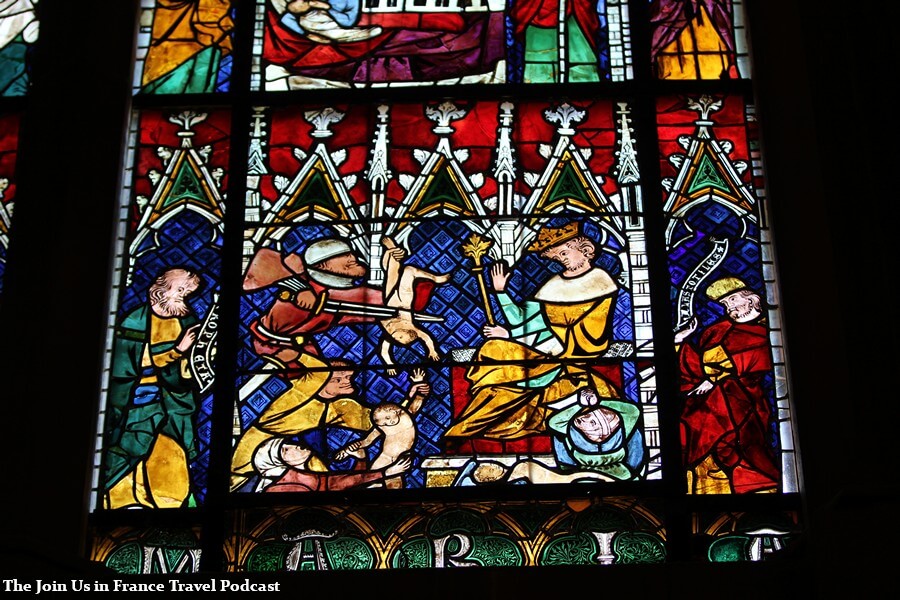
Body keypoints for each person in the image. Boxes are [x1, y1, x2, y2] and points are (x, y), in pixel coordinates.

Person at [444, 221, 622, 442]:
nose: (562, 259)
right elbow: (524, 320)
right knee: (493, 348)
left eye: (565, 252)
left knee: (501, 366)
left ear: (585, 250)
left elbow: (588, 340)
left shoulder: (601, 284)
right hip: (540, 352)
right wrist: (501, 293)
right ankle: (471, 426)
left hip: (566, 358)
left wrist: (512, 337)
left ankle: (468, 428)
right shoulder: (553, 284)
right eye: (557, 257)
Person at [102, 267, 203, 509]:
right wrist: (178, 350)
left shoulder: (185, 319)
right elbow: (132, 364)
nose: (183, 297)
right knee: (130, 454)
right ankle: (122, 504)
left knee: (172, 456)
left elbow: (189, 364)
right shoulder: (134, 322)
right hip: (135, 406)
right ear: (162, 290)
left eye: (188, 292)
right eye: (180, 290)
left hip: (172, 404)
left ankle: (171, 506)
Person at [673, 276, 780, 494]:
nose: (729, 307)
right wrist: (680, 342)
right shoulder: (716, 331)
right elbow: (696, 367)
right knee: (698, 436)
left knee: (747, 449)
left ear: (750, 299)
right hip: (709, 401)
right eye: (724, 303)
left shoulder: (769, 329)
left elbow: (755, 362)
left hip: (745, 401)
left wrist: (714, 379)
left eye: (732, 300)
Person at [230, 352, 372, 491]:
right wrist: (297, 355)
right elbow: (319, 371)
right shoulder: (301, 392)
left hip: (293, 450)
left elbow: (372, 419)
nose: (347, 382)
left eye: (349, 377)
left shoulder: (340, 407)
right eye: (338, 379)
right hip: (257, 446)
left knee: (320, 477)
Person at [243, 237, 385, 370]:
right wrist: (298, 287)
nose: (353, 258)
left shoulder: (342, 294)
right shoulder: (300, 278)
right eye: (345, 255)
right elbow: (260, 265)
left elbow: (384, 302)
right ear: (323, 266)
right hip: (275, 348)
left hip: (298, 350)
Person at [334, 369, 430, 488]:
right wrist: (347, 450)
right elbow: (366, 441)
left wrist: (419, 385)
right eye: (383, 422)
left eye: (388, 417)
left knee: (395, 485)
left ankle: (395, 506)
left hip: (402, 457)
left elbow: (415, 403)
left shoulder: (406, 417)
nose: (388, 423)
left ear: (395, 411)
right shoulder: (383, 428)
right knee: (372, 482)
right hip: (384, 458)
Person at [379, 236, 449, 375]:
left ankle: (392, 249)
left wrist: (389, 364)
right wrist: (432, 350)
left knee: (392, 271)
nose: (395, 337)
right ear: (408, 332)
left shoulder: (389, 336)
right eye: (400, 337)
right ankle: (436, 278)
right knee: (408, 271)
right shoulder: (415, 330)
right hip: (404, 302)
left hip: (390, 302)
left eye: (397, 339)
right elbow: (427, 338)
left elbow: (384, 352)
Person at [546, 388, 644, 481]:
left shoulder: (621, 433)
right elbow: (554, 423)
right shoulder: (573, 434)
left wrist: (599, 402)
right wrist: (582, 405)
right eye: (581, 417)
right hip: (583, 479)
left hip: (623, 479)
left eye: (590, 419)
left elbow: (633, 411)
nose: (581, 420)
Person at [253, 437, 411, 493]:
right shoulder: (281, 487)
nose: (296, 447)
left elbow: (348, 484)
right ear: (277, 462)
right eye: (285, 450)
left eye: (290, 444)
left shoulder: (307, 476)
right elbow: (336, 485)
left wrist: (361, 460)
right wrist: (385, 473)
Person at [278, 0, 382, 44]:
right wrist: (307, 34)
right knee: (306, 21)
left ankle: (359, 34)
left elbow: (348, 22)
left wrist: (327, 8)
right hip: (311, 22)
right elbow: (286, 18)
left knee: (336, 33)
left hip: (334, 24)